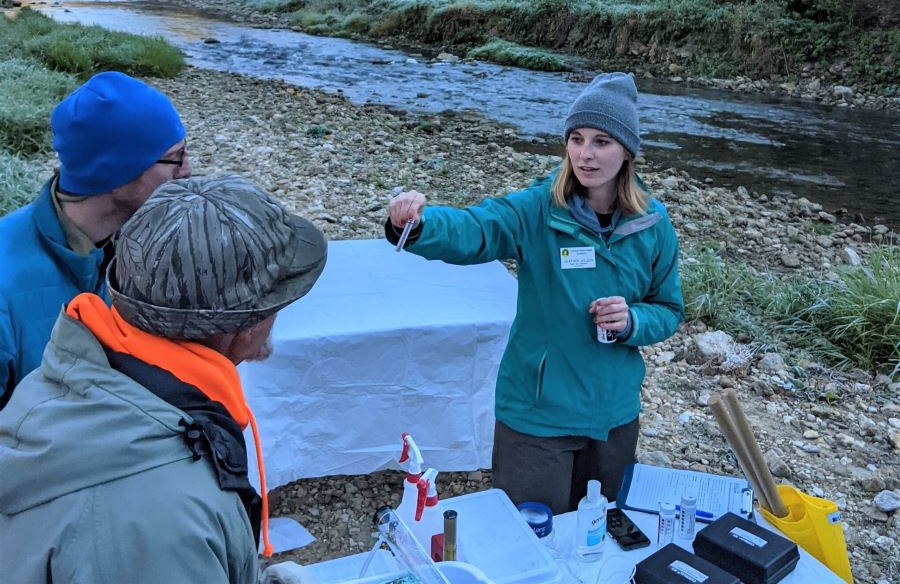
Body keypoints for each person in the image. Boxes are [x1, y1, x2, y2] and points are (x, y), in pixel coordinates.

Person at [0, 173, 328, 584]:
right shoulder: (163, 517)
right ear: (245, 323)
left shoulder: (78, 374)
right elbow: (128, 543)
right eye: (282, 296)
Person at [386, 72, 683, 516]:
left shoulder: (653, 224)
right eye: (577, 138)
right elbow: (478, 228)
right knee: (527, 534)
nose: (586, 154)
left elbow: (668, 309)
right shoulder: (538, 209)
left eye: (602, 141)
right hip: (538, 414)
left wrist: (633, 321)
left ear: (627, 151)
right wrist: (416, 225)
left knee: (601, 533)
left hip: (614, 414)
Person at [0, 69, 190, 406]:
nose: (187, 171)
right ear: (118, 176)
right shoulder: (6, 285)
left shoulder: (144, 247)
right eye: (175, 158)